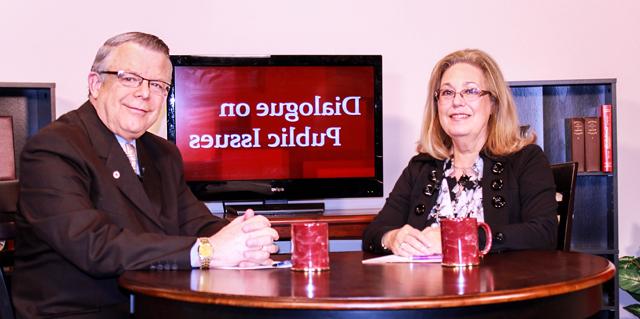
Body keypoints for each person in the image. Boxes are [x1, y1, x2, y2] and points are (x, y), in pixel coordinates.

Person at [12, 32, 279, 319]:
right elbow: (95, 245)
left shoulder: (162, 153)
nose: (145, 93)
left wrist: (244, 239)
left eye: (158, 85)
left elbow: (195, 222)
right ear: (95, 84)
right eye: (129, 78)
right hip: (80, 312)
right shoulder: (54, 148)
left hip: (154, 304)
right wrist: (208, 251)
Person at [363, 49, 558, 257]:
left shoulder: (526, 159)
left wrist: (457, 237)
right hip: (427, 287)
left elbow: (543, 233)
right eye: (447, 92)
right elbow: (373, 233)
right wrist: (392, 238)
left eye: (471, 91)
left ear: (493, 103)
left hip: (498, 287)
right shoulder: (421, 167)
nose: (457, 101)